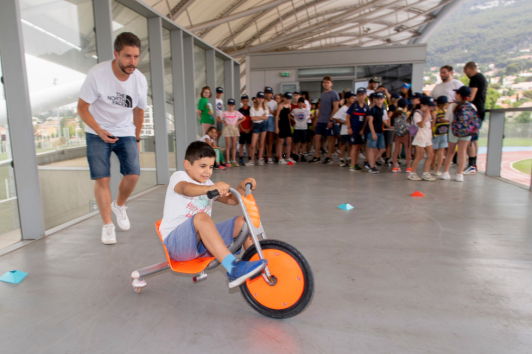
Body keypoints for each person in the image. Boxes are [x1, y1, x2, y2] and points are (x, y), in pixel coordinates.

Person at [159, 141, 268, 288]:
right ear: (187, 165)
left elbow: (232, 200)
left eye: (211, 167)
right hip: (176, 244)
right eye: (203, 166)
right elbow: (185, 189)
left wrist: (241, 186)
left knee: (243, 223)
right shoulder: (179, 177)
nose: (207, 171)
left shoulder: (207, 183)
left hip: (201, 243)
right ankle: (233, 268)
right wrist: (209, 187)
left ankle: (260, 266)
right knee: (201, 216)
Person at [78, 32, 147, 245]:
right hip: (97, 131)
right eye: (127, 56)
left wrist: (136, 138)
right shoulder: (97, 74)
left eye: (136, 57)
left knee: (133, 174)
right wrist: (99, 130)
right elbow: (82, 108)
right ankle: (108, 225)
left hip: (125, 130)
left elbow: (139, 112)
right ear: (116, 54)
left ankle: (120, 205)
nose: (132, 62)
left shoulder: (139, 80)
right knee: (103, 178)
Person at [441, 86, 475, 182]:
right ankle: (459, 174)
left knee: (450, 152)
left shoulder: (452, 106)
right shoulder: (472, 106)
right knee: (462, 152)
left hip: (453, 131)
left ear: (459, 95)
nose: (455, 95)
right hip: (467, 133)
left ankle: (445, 173)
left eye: (456, 93)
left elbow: (447, 120)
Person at [463, 61, 488, 175]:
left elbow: (471, 96)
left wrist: (462, 101)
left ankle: (471, 165)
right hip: (480, 110)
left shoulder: (474, 78)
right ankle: (473, 163)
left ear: (468, 69)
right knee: (474, 139)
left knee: (470, 139)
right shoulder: (482, 77)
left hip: (474, 112)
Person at [309, 76, 340, 164]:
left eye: (328, 82)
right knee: (317, 137)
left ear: (331, 84)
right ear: (322, 84)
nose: (326, 84)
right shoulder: (322, 94)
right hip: (321, 120)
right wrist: (316, 119)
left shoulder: (334, 93)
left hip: (328, 120)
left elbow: (336, 107)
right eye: (324, 82)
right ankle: (317, 156)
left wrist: (331, 120)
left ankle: (329, 157)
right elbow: (321, 107)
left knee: (330, 139)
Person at [409, 97, 436, 181]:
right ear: (422, 105)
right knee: (419, 156)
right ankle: (412, 173)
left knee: (431, 155)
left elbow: (431, 126)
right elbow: (420, 125)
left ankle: (426, 173)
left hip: (428, 137)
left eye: (431, 107)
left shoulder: (428, 114)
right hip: (420, 137)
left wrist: (433, 118)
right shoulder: (417, 113)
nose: (430, 108)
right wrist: (426, 115)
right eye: (429, 106)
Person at [217, 98, 245, 167]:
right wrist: (223, 122)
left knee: (234, 146)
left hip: (234, 128)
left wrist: (238, 122)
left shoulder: (237, 113)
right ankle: (228, 160)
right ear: (227, 105)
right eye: (229, 105)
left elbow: (244, 118)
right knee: (227, 145)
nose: (231, 106)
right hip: (227, 128)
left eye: (232, 105)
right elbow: (217, 117)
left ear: (234, 106)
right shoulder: (225, 113)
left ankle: (234, 160)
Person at [346, 88, 369, 172]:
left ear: (365, 95)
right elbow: (348, 116)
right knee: (354, 146)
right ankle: (352, 164)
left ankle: (355, 163)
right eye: (359, 95)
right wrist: (349, 127)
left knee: (359, 147)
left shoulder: (366, 107)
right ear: (357, 96)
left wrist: (363, 129)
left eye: (362, 94)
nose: (361, 96)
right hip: (353, 129)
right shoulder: (353, 105)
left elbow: (366, 118)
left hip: (361, 130)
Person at [366, 92, 389, 174]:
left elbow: (380, 120)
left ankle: (370, 163)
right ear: (375, 99)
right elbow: (370, 122)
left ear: (383, 100)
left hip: (380, 131)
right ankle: (372, 166)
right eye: (378, 99)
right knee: (372, 149)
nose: (379, 101)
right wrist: (373, 133)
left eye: (381, 99)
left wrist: (387, 126)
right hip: (374, 132)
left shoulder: (382, 109)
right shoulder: (373, 109)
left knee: (382, 149)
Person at [333, 91, 355, 167]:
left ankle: (348, 158)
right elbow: (335, 117)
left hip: (352, 129)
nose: (353, 99)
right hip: (345, 130)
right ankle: (341, 158)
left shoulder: (353, 107)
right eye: (351, 98)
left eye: (353, 98)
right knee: (344, 145)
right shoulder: (343, 108)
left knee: (350, 144)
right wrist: (343, 122)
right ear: (347, 99)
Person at [245, 92, 268, 166]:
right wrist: (261, 117)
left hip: (263, 125)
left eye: (262, 98)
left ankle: (260, 159)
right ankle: (251, 160)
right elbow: (252, 118)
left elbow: (266, 117)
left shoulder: (265, 108)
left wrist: (257, 117)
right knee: (253, 144)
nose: (260, 100)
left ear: (263, 99)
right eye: (259, 98)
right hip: (256, 125)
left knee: (262, 143)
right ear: (257, 99)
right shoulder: (253, 108)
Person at [390, 98, 412, 173]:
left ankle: (395, 166)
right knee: (407, 150)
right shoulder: (408, 114)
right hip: (406, 134)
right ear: (406, 105)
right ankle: (408, 167)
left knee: (396, 150)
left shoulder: (395, 114)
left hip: (397, 134)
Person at [430, 96, 450, 176]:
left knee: (433, 152)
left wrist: (430, 131)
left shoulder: (435, 113)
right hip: (444, 134)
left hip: (436, 134)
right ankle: (438, 170)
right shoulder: (446, 112)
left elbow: (433, 123)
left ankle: (432, 167)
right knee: (441, 152)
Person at [275, 92, 295, 165]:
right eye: (287, 98)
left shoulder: (289, 105)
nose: (288, 100)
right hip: (281, 124)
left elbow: (288, 115)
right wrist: (276, 127)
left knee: (289, 141)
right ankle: (280, 158)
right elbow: (277, 116)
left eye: (289, 98)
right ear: (284, 98)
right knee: (281, 142)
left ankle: (288, 157)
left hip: (287, 124)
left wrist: (290, 124)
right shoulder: (280, 105)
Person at [291, 97, 311, 162]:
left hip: (304, 127)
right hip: (297, 127)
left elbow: (312, 115)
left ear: (303, 103)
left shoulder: (306, 110)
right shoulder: (295, 110)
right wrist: (294, 120)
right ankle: (296, 154)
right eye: (299, 102)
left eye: (302, 103)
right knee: (296, 142)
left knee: (304, 142)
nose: (301, 104)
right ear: (298, 103)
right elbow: (289, 115)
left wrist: (307, 120)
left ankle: (303, 154)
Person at [264, 87, 277, 164]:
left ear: (271, 94)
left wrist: (272, 111)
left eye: (269, 93)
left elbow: (276, 113)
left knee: (270, 139)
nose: (268, 94)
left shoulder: (274, 102)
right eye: (266, 93)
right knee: (264, 139)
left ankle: (269, 156)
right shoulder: (262, 101)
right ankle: (265, 155)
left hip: (271, 119)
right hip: (264, 119)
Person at [238, 95, 253, 165]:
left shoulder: (251, 109)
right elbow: (239, 121)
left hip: (250, 130)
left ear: (248, 101)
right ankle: (241, 157)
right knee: (241, 144)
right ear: (241, 102)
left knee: (249, 144)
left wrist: (249, 129)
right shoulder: (240, 110)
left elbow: (252, 121)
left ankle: (250, 157)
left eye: (246, 101)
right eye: (244, 101)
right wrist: (242, 129)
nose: (245, 102)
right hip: (242, 130)